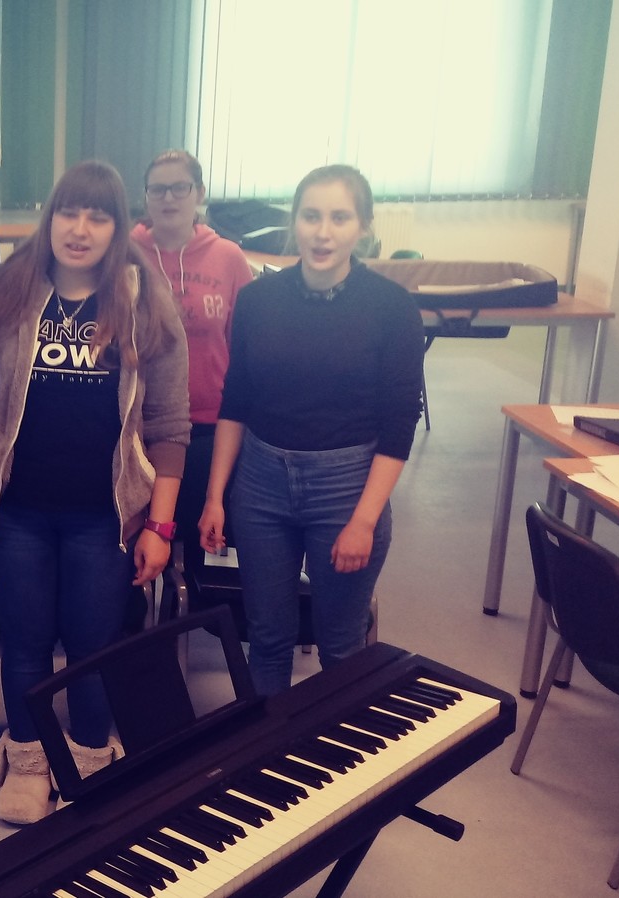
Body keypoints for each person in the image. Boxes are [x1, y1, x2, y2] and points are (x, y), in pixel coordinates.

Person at [0, 160, 190, 826]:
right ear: (49, 218)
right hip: (17, 511)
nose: (80, 230)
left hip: (105, 517)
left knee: (92, 643)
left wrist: (160, 526)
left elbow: (170, 425)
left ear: (118, 226)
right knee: (25, 640)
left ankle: (87, 755)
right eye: (68, 213)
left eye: (98, 216)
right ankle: (28, 759)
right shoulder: (2, 297)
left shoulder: (144, 303)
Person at [198, 164, 422, 696]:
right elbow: (236, 402)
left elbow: (398, 426)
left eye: (339, 218)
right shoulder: (258, 300)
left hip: (346, 489)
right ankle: (270, 744)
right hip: (261, 484)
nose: (323, 232)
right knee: (268, 638)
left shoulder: (392, 309)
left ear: (363, 227)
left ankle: (336, 745)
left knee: (340, 644)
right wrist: (215, 497)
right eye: (311, 216)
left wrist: (364, 522)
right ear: (294, 222)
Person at [129, 149, 251, 600]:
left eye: (179, 187)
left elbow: (245, 348)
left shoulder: (229, 258)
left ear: (199, 193)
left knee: (202, 542)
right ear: (145, 196)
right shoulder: (124, 253)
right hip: (138, 427)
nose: (168, 198)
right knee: (134, 542)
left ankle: (188, 614)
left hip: (209, 427)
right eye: (157, 189)